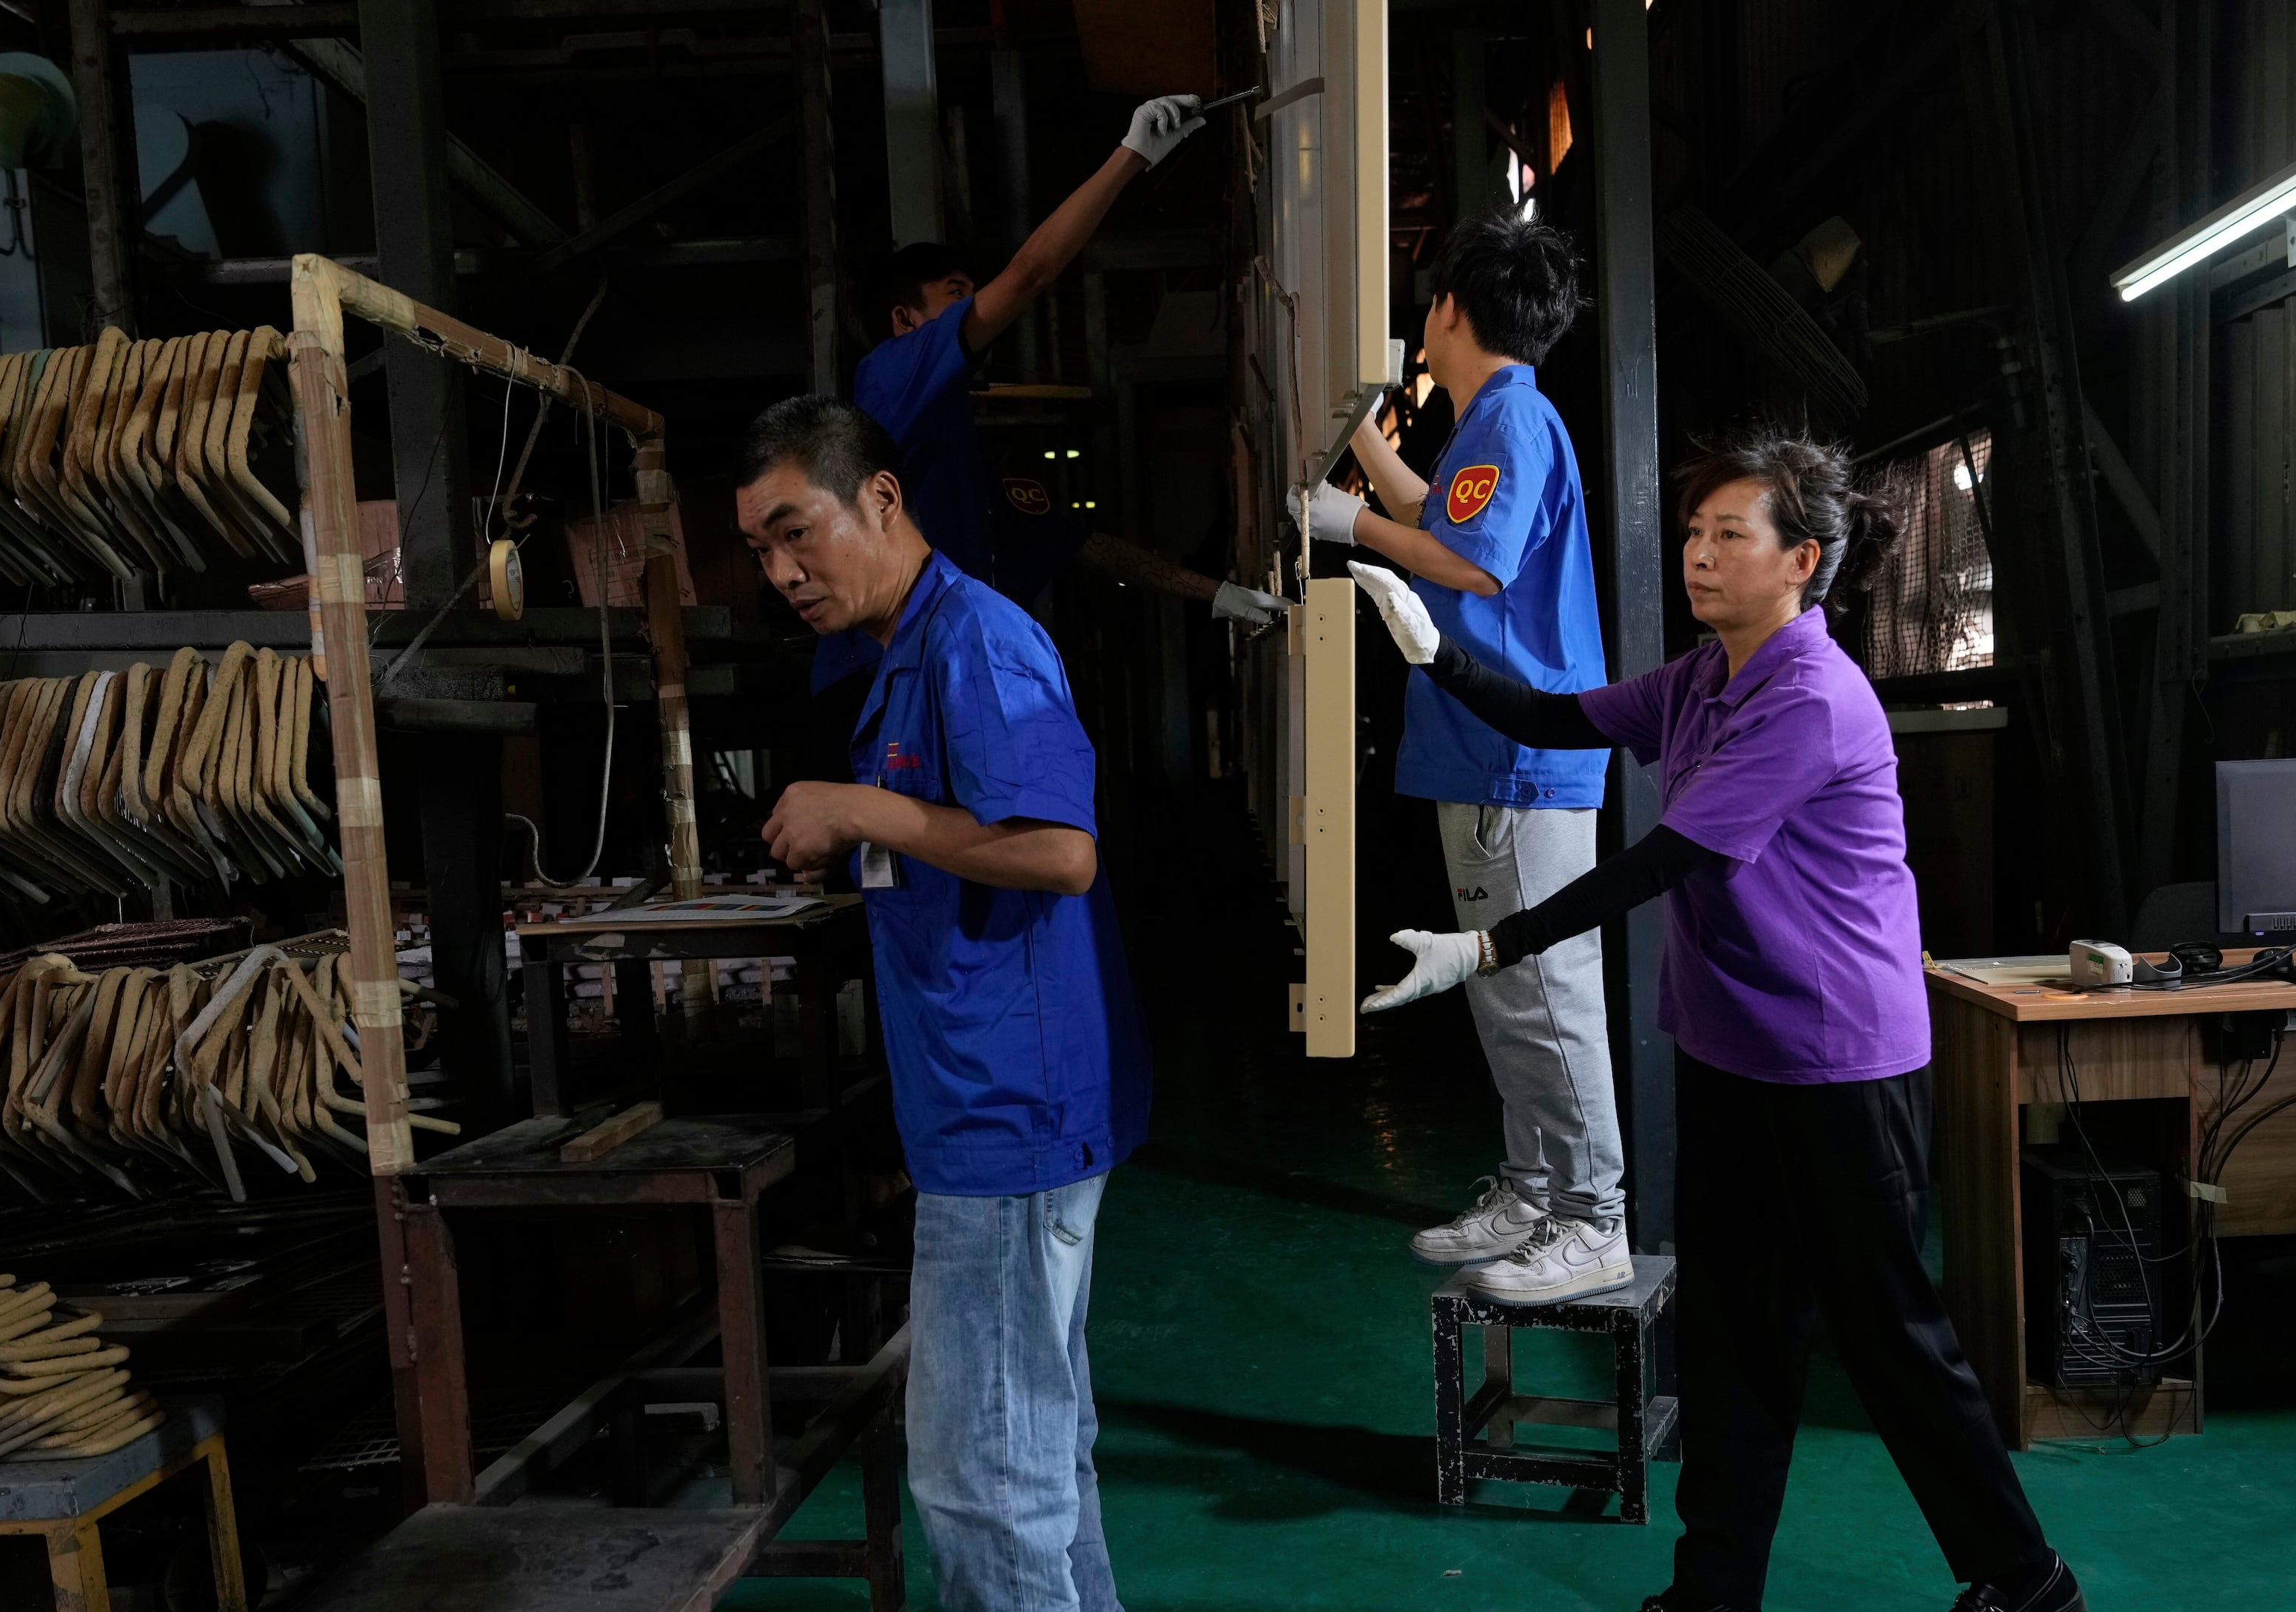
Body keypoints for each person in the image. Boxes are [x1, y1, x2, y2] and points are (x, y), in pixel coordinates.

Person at [1347, 431, 2082, 1612]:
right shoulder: (1705, 675)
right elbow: (1551, 720)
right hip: (1733, 1052)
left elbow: (1663, 860)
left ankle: (2028, 1583)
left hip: (1838, 1063)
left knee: (1889, 1338)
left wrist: (1489, 947)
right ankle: (1713, 1593)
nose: (1698, 554)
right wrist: (1435, 651)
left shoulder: (1809, 696)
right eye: (1693, 533)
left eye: (1728, 535)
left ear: (1803, 561)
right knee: (1733, 1334)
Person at [740, 396, 1148, 1612]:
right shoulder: (906, 653)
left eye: (796, 533)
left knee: (980, 1479)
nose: (782, 573)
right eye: (760, 553)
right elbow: (959, 841)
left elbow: (1060, 850)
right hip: (989, 1109)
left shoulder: (976, 642)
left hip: (1010, 1120)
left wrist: (861, 812)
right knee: (1035, 1458)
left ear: (881, 499)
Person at [1292, 210, 1624, 1305]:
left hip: (1516, 759)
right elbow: (1443, 518)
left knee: (1543, 988)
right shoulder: (1496, 418)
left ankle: (1594, 1218)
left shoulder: (1510, 422)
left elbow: (1466, 566)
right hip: (1488, 754)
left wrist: (1345, 523)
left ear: (1448, 309)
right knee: (1506, 991)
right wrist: (1365, 452)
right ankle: (1535, 1190)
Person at [851, 93, 1285, 645]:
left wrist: (1217, 594)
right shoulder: (889, 377)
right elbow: (1031, 272)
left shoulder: (953, 446)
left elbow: (1082, 544)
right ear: (905, 321)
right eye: (957, 294)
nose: (979, 304)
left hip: (937, 667)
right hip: (883, 674)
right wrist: (1131, 156)